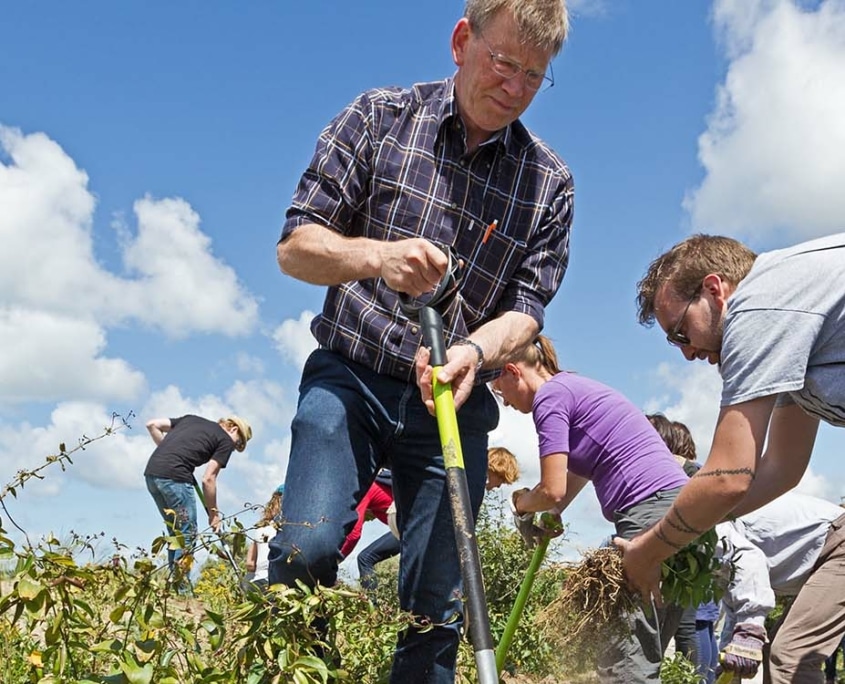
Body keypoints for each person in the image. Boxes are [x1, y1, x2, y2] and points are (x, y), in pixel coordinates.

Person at [269, 0, 573, 680]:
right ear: (462, 41)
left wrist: (472, 351)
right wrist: (376, 257)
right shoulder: (379, 117)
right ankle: (308, 667)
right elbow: (296, 247)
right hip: (349, 378)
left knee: (436, 604)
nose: (514, 87)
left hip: (453, 401)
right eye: (502, 63)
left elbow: (526, 310)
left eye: (533, 75)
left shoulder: (548, 183)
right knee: (305, 549)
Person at [618, 233, 845, 614]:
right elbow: (780, 468)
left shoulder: (756, 307)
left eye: (680, 332)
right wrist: (681, 531)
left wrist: (648, 553)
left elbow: (728, 477)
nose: (687, 353)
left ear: (713, 290)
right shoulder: (789, 339)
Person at [493, 335, 689, 682]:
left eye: (499, 390)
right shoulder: (574, 387)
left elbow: (551, 490)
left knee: (624, 663)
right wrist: (550, 517)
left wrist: (521, 504)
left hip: (646, 514)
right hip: (678, 512)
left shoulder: (550, 398)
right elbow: (574, 477)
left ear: (513, 371)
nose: (504, 403)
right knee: (644, 657)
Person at [713, 491, 845, 684]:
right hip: (827, 552)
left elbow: (751, 559)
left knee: (790, 654)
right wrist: (731, 661)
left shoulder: (701, 525)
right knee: (776, 649)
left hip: (838, 545)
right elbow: (735, 606)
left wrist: (750, 631)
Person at [356, 449, 519, 593]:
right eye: (502, 480)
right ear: (496, 469)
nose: (499, 487)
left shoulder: (465, 476)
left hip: (409, 520)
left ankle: (386, 608)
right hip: (414, 519)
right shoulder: (464, 477)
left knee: (374, 559)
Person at [646, 414, 719, 684]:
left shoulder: (690, 473)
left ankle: (696, 680)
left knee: (692, 627)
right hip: (692, 566)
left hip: (690, 567)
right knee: (694, 626)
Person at [144, 414, 252, 573]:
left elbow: (152, 424)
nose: (234, 447)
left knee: (175, 532)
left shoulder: (190, 420)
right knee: (187, 532)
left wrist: (171, 453)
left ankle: (173, 585)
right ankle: (182, 588)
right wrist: (214, 514)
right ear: (234, 428)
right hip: (175, 482)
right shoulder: (225, 440)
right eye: (239, 442)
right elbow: (208, 479)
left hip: (153, 476)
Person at [340, 469, 394, 559]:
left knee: (365, 558)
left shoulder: (361, 489)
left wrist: (337, 559)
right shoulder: (376, 508)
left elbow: (354, 535)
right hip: (412, 527)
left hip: (416, 526)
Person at [243, 484, 285, 593]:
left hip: (257, 583)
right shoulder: (289, 527)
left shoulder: (260, 529)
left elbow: (250, 564)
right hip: (277, 583)